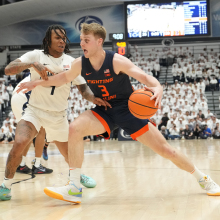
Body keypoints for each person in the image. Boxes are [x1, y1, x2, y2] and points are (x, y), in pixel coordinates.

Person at [17, 23, 220, 204]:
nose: (82, 44)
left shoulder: (117, 61)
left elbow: (145, 77)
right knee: (75, 129)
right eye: (81, 40)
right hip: (104, 110)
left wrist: (157, 87)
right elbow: (62, 79)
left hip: (128, 110)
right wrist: (36, 82)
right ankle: (74, 187)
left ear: (99, 42)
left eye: (86, 40)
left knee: (167, 151)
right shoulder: (80, 63)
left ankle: (204, 179)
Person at [0, 24, 112, 201]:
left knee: (70, 155)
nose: (62, 41)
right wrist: (32, 64)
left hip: (58, 115)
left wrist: (93, 98)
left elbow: (84, 89)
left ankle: (77, 177)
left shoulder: (72, 62)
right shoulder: (35, 55)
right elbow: (8, 70)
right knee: (20, 142)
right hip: (34, 111)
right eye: (58, 38)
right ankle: (5, 186)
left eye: (63, 38)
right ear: (48, 41)